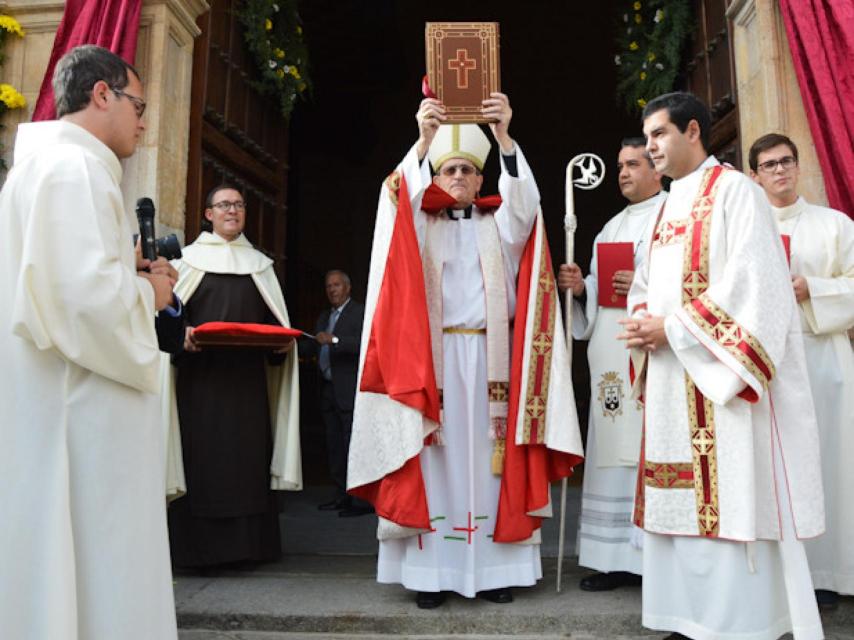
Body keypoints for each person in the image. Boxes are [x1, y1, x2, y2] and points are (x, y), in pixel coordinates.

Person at [348, 93, 583, 609]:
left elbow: (525, 209)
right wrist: (423, 140)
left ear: (481, 179)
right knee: (435, 465)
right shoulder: (420, 225)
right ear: (437, 176)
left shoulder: (496, 226)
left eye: (467, 171)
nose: (457, 177)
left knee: (490, 465)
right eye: (448, 169)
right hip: (431, 366)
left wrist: (503, 139)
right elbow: (394, 204)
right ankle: (432, 574)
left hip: (489, 364)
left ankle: (495, 570)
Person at [619, 92, 825, 640]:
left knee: (729, 496)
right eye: (647, 137)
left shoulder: (735, 191)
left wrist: (675, 329)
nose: (650, 147)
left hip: (719, 383)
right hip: (668, 377)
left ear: (692, 131)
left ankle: (738, 624)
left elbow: (756, 288)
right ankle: (685, 619)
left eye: (658, 134)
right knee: (677, 504)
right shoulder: (664, 206)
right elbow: (646, 284)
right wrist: (643, 323)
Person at [0, 45, 178, 639]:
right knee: (93, 561)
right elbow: (81, 302)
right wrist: (148, 297)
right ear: (101, 94)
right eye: (139, 105)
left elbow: (61, 282)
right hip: (79, 410)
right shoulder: (73, 169)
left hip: (58, 401)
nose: (145, 121)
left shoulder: (51, 167)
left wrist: (122, 274)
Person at [162, 185, 302, 569]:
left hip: (248, 389)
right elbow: (164, 323)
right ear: (208, 213)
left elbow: (277, 326)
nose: (233, 211)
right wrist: (181, 335)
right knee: (203, 463)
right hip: (199, 387)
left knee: (246, 465)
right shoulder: (186, 262)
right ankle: (197, 553)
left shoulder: (260, 265)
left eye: (239, 205)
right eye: (224, 205)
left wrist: (280, 349)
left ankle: (249, 550)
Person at [749, 132, 854, 609]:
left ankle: (834, 571)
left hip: (824, 356)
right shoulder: (746, 228)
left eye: (786, 161)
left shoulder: (835, 224)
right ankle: (787, 577)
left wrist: (811, 288)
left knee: (834, 462)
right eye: (768, 165)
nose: (779, 171)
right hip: (770, 363)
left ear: (798, 165)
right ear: (754, 175)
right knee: (781, 469)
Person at [558, 138, 665, 591]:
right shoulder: (610, 227)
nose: (623, 172)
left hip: (654, 348)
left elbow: (696, 279)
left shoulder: (675, 217)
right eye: (620, 165)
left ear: (657, 169)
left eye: (633, 164)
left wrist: (644, 280)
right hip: (611, 350)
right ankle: (615, 558)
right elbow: (601, 294)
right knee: (610, 451)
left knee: (650, 449)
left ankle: (656, 557)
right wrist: (582, 287)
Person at [303, 269, 369, 517]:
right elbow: (313, 343)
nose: (332, 290)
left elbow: (366, 343)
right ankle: (341, 496)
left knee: (353, 445)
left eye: (337, 285)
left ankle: (360, 502)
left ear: (348, 287)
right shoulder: (324, 316)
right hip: (328, 389)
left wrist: (336, 340)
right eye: (328, 286)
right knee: (334, 446)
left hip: (350, 390)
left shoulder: (359, 312)